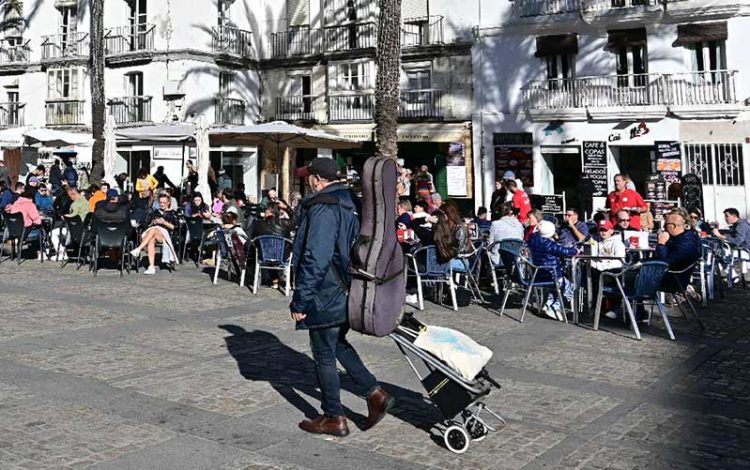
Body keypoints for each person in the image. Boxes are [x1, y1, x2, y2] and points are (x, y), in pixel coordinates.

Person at [290, 157, 393, 437]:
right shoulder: (351, 201)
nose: (307, 181)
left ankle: (333, 416)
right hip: (347, 287)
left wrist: (301, 300)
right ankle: (374, 393)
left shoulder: (323, 206)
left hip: (327, 291)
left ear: (317, 179)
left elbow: (317, 256)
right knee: (337, 344)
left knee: (323, 352)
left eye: (308, 177)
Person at [527, 220, 578, 321]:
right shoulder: (549, 244)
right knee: (568, 287)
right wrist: (576, 250)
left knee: (556, 287)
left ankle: (548, 304)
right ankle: (555, 306)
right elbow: (565, 252)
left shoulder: (533, 239)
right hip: (552, 274)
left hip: (538, 274)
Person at [130, 194, 179, 275]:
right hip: (152, 234)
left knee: (154, 229)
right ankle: (151, 267)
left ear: (168, 203)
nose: (162, 204)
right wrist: (153, 222)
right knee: (151, 238)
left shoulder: (173, 213)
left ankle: (138, 249)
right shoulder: (154, 212)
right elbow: (146, 225)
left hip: (165, 236)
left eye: (164, 202)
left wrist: (164, 222)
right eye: (160, 202)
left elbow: (176, 227)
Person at [656, 211, 702, 298]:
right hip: (680, 278)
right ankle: (638, 310)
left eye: (665, 225)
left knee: (625, 279)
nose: (664, 228)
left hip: (671, 280)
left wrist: (661, 244)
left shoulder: (684, 244)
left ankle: (636, 310)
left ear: (673, 226)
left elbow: (663, 263)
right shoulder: (688, 237)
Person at [50, 186, 90, 260]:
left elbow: (73, 217)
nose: (70, 198)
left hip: (74, 230)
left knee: (53, 233)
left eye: (70, 196)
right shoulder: (87, 202)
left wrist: (64, 216)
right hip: (85, 230)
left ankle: (61, 253)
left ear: (73, 194)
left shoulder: (74, 204)